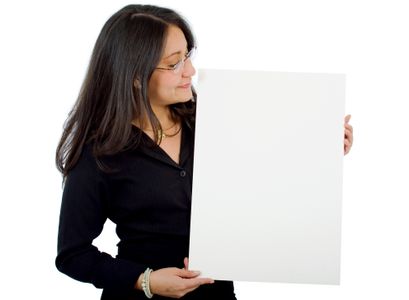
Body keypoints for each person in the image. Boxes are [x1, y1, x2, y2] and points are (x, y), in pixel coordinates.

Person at [55, 4, 354, 300]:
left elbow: (265, 176)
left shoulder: (215, 120)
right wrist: (145, 280)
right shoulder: (99, 153)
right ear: (135, 76)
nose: (191, 70)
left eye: (187, 56)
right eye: (174, 63)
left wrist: (320, 151)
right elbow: (73, 254)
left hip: (217, 296)